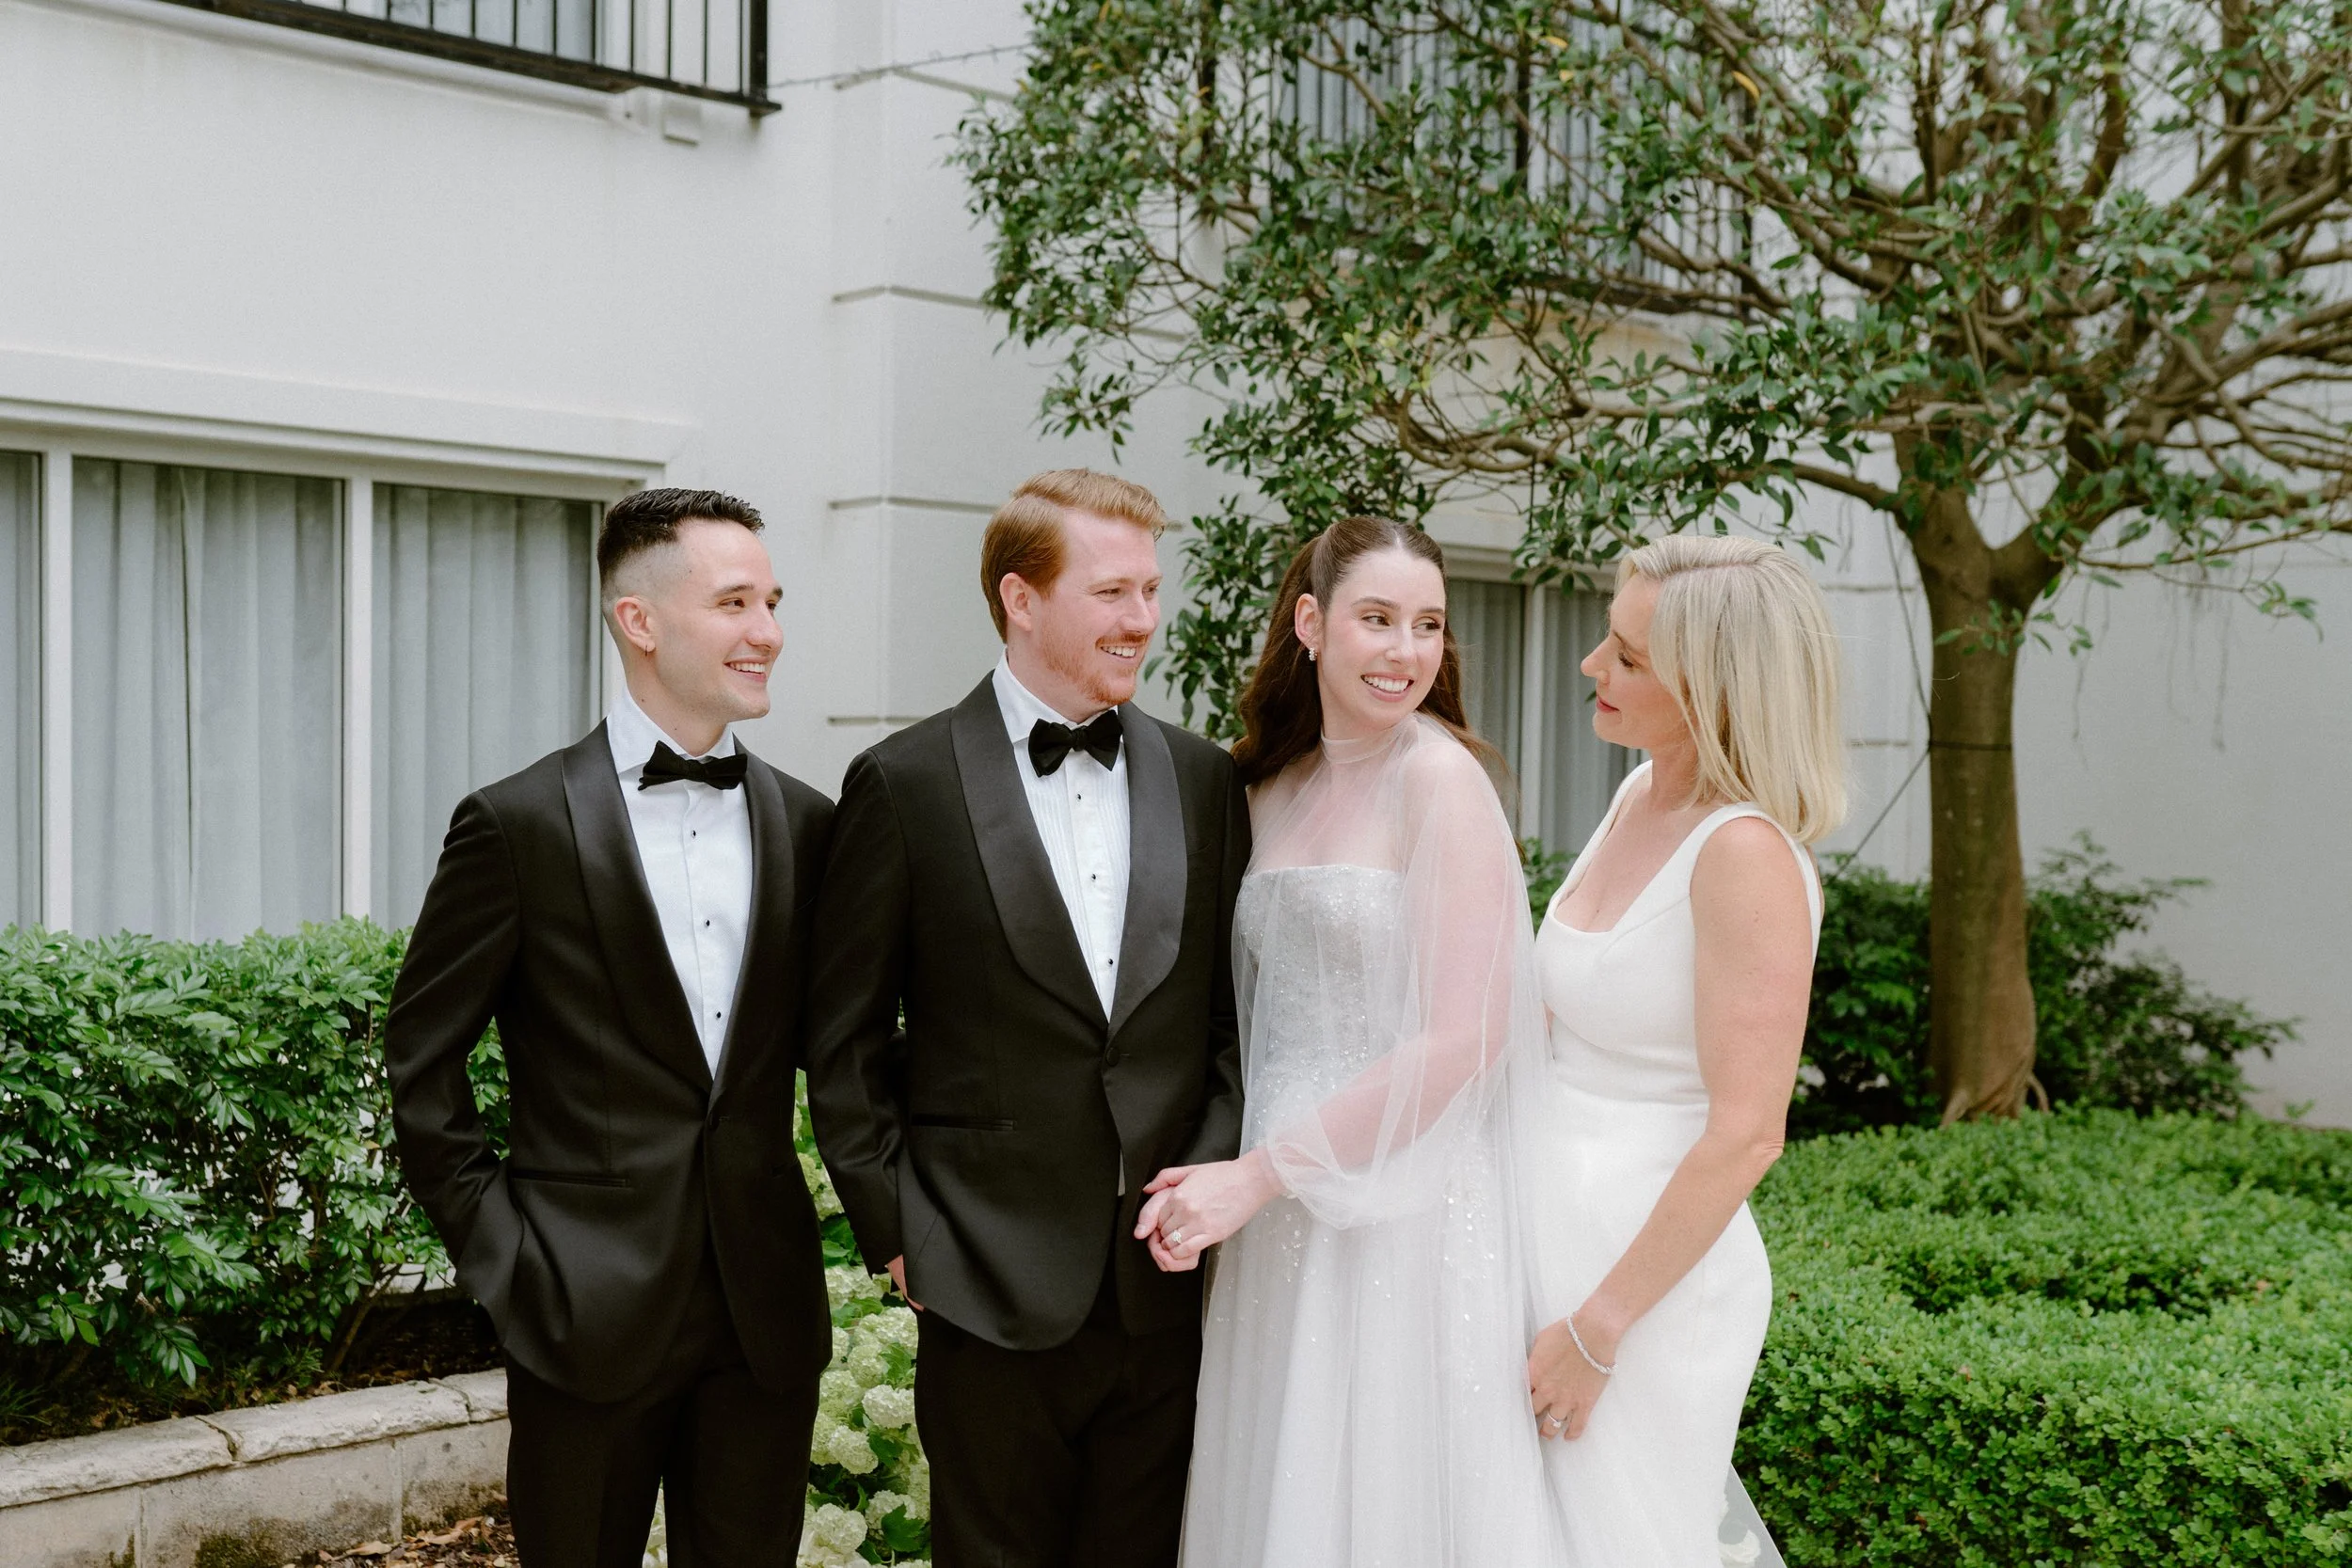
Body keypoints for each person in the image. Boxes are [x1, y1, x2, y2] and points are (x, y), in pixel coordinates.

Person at [802, 468, 1250, 1568]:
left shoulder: (1202, 777)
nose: (1141, 618)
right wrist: (899, 1230)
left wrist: (1203, 1178)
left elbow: (1231, 1023)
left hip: (1162, 1280)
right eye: (1110, 591)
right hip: (984, 1279)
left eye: (1150, 588)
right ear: (1020, 598)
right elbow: (845, 1038)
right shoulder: (901, 782)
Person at [383, 488, 835, 1568]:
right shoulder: (518, 822)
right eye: (734, 601)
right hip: (579, 1307)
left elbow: (852, 1047)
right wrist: (508, 1258)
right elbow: (421, 1057)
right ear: (640, 621)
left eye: (771, 601)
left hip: (761, 1315)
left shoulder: (813, 825)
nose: (767, 629)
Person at [1138, 516, 1563, 1568]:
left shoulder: (1441, 780)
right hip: (1273, 1214)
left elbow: (1464, 1037)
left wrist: (1260, 1173)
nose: (1405, 650)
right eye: (1377, 619)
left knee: (1385, 1489)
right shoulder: (1260, 786)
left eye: (1427, 625)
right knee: (1281, 1479)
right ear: (1312, 623)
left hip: (1403, 1200)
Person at [1521, 534, 1847, 1566]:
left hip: (1643, 1293)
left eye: (1626, 656)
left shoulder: (1743, 854)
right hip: (1546, 1242)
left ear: (1711, 686)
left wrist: (1596, 1328)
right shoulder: (1636, 796)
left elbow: (1748, 1131)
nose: (1592, 667)